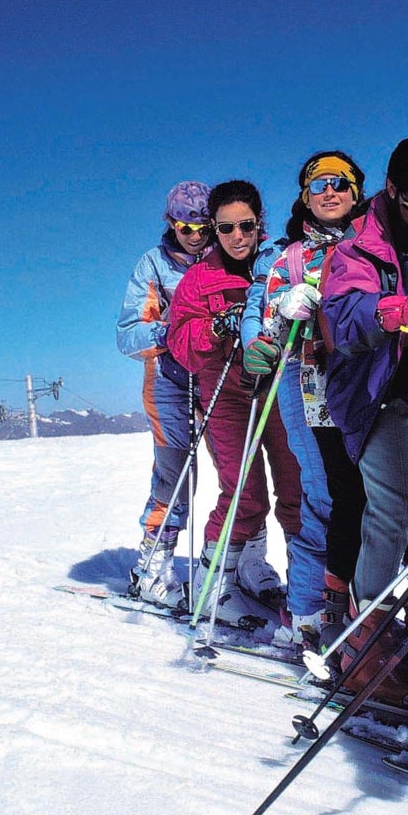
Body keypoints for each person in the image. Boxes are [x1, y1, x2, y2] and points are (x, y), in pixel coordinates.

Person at [322, 135, 408, 703]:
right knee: (393, 507)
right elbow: (343, 320)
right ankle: (364, 640)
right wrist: (401, 310)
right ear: (391, 190)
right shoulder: (359, 244)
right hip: (374, 392)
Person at [239, 151, 369, 654]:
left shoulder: (370, 244)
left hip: (367, 378)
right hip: (307, 378)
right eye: (319, 186)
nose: (330, 192)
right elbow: (264, 321)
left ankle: (357, 604)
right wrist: (274, 323)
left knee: (371, 498)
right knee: (325, 494)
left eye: (341, 183)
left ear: (356, 191)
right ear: (304, 196)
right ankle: (308, 611)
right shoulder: (286, 257)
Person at [167, 180, 304, 628]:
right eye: (225, 228)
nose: (237, 237)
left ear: (259, 223)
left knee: (296, 487)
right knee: (243, 490)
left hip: (277, 389)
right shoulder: (199, 279)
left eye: (246, 225)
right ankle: (214, 584)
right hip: (226, 394)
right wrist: (215, 328)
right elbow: (181, 345)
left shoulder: (279, 261)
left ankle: (259, 568)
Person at [116, 180, 210, 607]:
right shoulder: (153, 265)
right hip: (169, 380)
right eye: (183, 226)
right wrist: (174, 330)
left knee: (240, 473)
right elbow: (128, 336)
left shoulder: (227, 251)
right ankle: (153, 564)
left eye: (201, 225)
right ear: (170, 223)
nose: (193, 235)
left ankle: (240, 564)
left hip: (219, 376)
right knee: (176, 474)